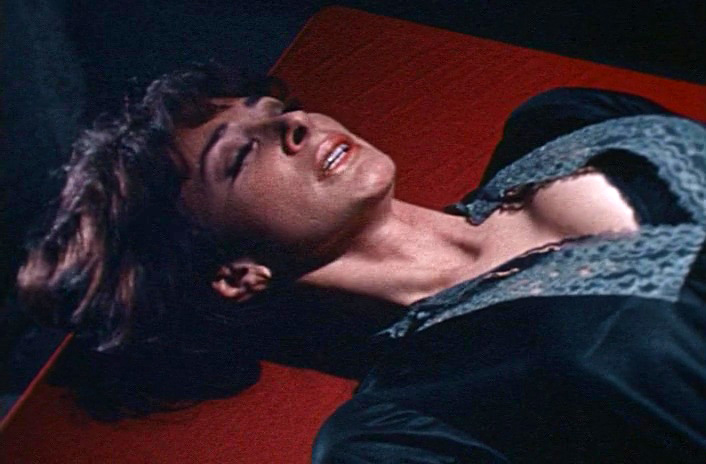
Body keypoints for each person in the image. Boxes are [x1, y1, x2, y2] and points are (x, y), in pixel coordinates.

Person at [17, 62, 706, 462]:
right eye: (241, 154)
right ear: (234, 275)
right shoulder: (395, 431)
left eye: (276, 108)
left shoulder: (564, 121)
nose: (294, 124)